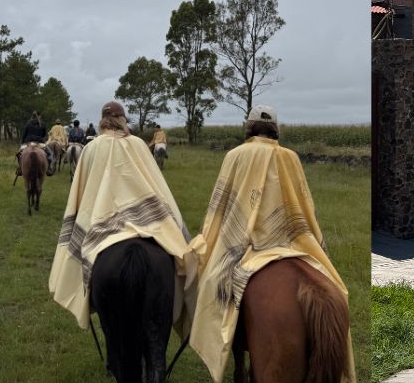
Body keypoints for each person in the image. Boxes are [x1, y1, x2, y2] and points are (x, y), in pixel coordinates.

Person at [187, 107, 355, 382]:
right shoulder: (290, 157)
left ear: (249, 128)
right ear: (275, 130)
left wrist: (208, 239)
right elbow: (304, 205)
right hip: (292, 241)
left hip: (247, 243)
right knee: (334, 285)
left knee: (212, 284)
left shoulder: (235, 155)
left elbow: (221, 207)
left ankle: (220, 341)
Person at [49, 102, 197, 345]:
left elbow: (82, 189)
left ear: (103, 121)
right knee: (180, 250)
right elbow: (155, 182)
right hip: (147, 220)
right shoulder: (138, 144)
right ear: (122, 120)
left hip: (100, 218)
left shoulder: (92, 147)